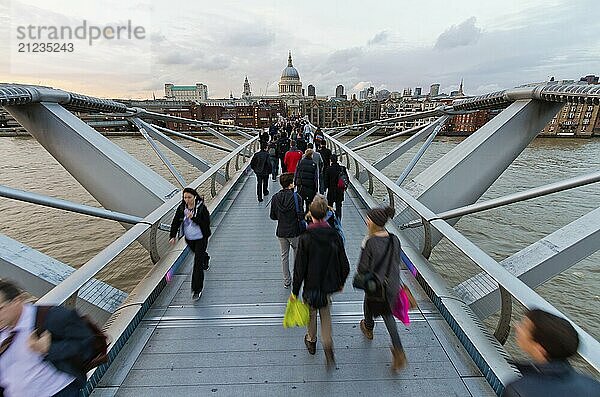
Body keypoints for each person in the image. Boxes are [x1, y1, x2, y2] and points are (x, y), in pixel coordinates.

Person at [0, 280, 96, 397]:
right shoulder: (3, 331)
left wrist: (49, 349)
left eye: (0, 309)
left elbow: (89, 344)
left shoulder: (50, 317)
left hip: (59, 392)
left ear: (17, 301)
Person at [292, 195, 349, 366]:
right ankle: (327, 343)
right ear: (326, 214)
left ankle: (311, 340)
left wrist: (295, 291)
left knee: (311, 314)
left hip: (311, 284)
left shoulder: (305, 238)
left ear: (311, 214)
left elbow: (299, 268)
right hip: (327, 285)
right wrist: (340, 282)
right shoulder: (335, 236)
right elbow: (344, 265)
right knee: (326, 314)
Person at [502, 309, 600, 397]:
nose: (517, 327)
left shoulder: (518, 390)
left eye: (524, 327)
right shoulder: (594, 386)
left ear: (539, 348)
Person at [357, 206, 407, 371]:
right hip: (392, 283)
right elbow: (396, 261)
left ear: (373, 223)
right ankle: (369, 325)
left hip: (378, 286)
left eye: (368, 219)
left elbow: (362, 269)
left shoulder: (370, 241)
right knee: (381, 308)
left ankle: (396, 349)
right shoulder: (395, 239)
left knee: (385, 313)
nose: (366, 221)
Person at [169, 187, 211, 301]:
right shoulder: (182, 208)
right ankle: (205, 257)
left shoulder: (201, 208)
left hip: (201, 238)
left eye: (189, 197)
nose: (187, 200)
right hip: (190, 239)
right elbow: (175, 222)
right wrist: (172, 236)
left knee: (197, 264)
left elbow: (206, 224)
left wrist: (194, 218)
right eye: (185, 197)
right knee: (200, 256)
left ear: (195, 197)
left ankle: (196, 289)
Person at [270, 172, 304, 288]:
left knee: (284, 256)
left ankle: (286, 281)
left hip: (281, 231)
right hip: (294, 231)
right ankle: (296, 279)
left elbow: (273, 216)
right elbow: (301, 215)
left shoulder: (275, 198)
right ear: (290, 184)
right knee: (297, 255)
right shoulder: (297, 197)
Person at [323, 154, 346, 219]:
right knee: (339, 207)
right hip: (340, 191)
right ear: (337, 160)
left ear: (331, 160)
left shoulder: (328, 169)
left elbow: (326, 182)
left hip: (331, 191)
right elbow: (346, 180)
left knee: (330, 206)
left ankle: (330, 221)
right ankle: (338, 221)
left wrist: (325, 189)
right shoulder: (342, 168)